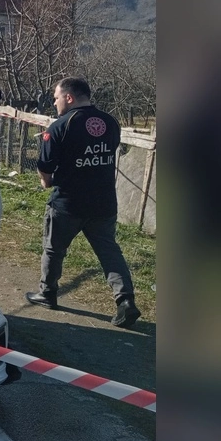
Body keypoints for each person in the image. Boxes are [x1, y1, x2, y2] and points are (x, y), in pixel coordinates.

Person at [25, 77, 139, 328]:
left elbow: (44, 167)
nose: (54, 103)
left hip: (68, 203)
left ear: (69, 97)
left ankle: (47, 293)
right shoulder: (110, 122)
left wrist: (47, 183)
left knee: (54, 249)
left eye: (55, 98)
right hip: (103, 203)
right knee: (109, 252)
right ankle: (126, 301)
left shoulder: (60, 126)